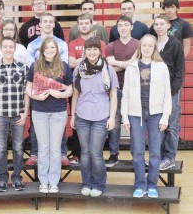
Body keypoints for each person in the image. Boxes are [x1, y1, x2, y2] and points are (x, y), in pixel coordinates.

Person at [121, 34, 172, 198]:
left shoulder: (161, 67)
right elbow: (126, 94)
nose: (147, 48)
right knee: (138, 152)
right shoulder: (132, 67)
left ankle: (152, 185)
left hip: (156, 114)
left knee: (155, 152)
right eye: (144, 45)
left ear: (154, 48)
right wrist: (125, 116)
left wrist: (165, 116)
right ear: (140, 47)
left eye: (151, 45)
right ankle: (140, 184)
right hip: (136, 114)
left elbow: (167, 94)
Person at [70, 37, 118, 197]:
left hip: (101, 116)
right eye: (88, 49)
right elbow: (75, 94)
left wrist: (112, 118)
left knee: (95, 152)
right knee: (84, 152)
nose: (91, 52)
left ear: (100, 51)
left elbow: (113, 95)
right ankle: (86, 183)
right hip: (82, 115)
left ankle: (98, 184)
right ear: (85, 51)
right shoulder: (78, 69)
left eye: (94, 49)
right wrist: (73, 115)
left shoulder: (108, 69)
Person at [26, 37, 73, 193]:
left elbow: (70, 90)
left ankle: (53, 182)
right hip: (39, 112)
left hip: (58, 112)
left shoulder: (64, 66)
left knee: (55, 149)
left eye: (53, 47)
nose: (50, 50)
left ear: (57, 50)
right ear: (42, 50)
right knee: (43, 148)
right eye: (47, 48)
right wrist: (37, 97)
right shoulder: (35, 66)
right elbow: (28, 89)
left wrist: (59, 95)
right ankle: (43, 181)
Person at [25, 13, 70, 166]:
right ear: (40, 25)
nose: (48, 24)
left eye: (51, 21)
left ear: (54, 24)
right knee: (36, 122)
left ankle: (63, 152)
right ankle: (35, 153)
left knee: (59, 122)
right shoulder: (32, 45)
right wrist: (44, 85)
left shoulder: (62, 44)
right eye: (45, 21)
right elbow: (33, 68)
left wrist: (52, 84)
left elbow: (61, 68)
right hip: (39, 91)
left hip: (57, 91)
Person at [0, 36, 29, 192]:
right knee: (1, 149)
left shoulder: (23, 68)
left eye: (11, 47)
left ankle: (17, 178)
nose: (8, 49)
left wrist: (25, 113)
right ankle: (2, 179)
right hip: (1, 115)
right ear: (1, 48)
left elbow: (26, 92)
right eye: (5, 46)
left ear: (15, 48)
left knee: (18, 148)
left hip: (18, 114)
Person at [68, 13, 106, 163]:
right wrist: (89, 60)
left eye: (86, 23)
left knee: (98, 122)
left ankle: (96, 154)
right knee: (78, 120)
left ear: (92, 24)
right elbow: (71, 63)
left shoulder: (101, 43)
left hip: (98, 88)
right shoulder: (73, 43)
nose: (84, 25)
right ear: (78, 26)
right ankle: (77, 153)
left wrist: (80, 60)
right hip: (79, 86)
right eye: (81, 23)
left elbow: (101, 62)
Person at [105, 15, 139, 167]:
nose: (123, 28)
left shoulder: (139, 45)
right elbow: (109, 68)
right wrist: (128, 64)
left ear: (131, 27)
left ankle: (136, 156)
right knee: (115, 122)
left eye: (126, 25)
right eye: (120, 25)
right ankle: (113, 155)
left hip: (135, 89)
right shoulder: (111, 46)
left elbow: (137, 65)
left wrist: (119, 64)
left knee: (135, 123)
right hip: (116, 88)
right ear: (117, 28)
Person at [153, 15, 185, 170]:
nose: (159, 26)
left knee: (171, 125)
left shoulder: (176, 44)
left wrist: (174, 88)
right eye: (156, 24)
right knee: (158, 125)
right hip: (154, 92)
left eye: (162, 24)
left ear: (168, 26)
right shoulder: (151, 44)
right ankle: (157, 158)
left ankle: (169, 158)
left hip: (171, 90)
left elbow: (180, 69)